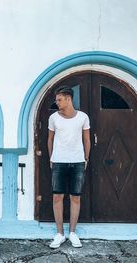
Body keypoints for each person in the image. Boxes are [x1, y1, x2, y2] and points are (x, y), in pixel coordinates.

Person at [47, 86, 90, 249]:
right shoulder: (53, 118)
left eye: (59, 99)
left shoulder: (83, 117)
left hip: (78, 161)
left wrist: (86, 157)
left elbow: (86, 139)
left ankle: (72, 233)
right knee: (57, 196)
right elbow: (50, 139)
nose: (57, 102)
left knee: (75, 197)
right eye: (56, 99)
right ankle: (60, 234)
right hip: (58, 161)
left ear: (68, 99)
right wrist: (52, 157)